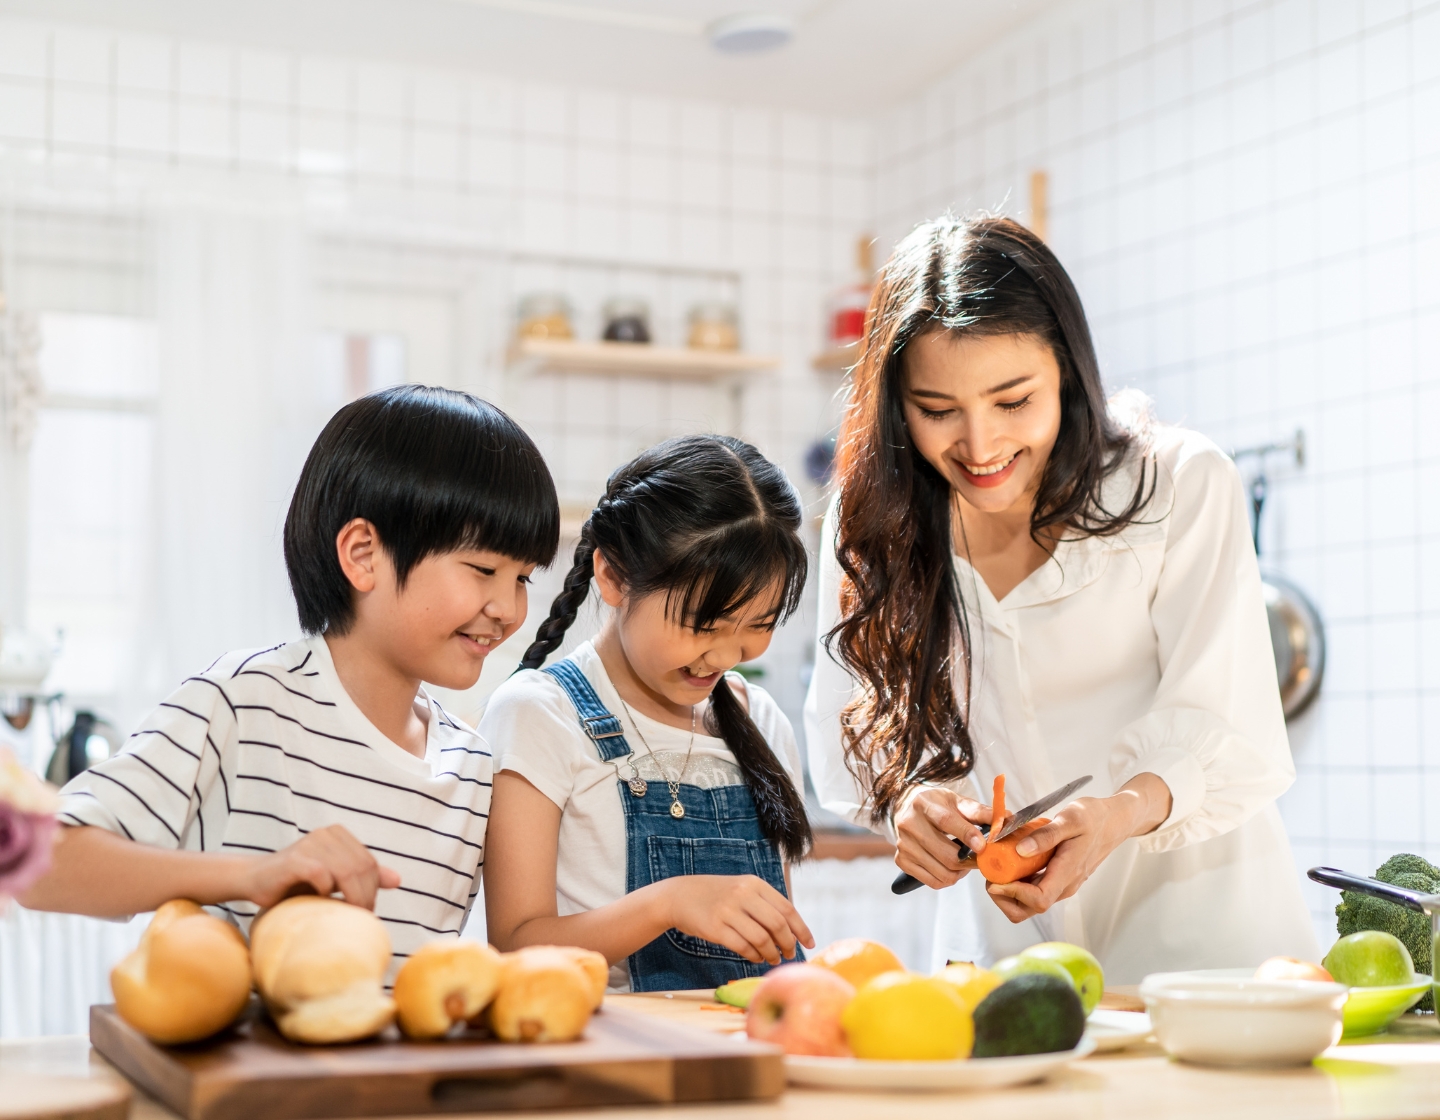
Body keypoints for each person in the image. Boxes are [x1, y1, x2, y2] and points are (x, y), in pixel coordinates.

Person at [805, 215, 1318, 981]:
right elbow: (857, 717)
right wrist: (910, 802)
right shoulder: (872, 517)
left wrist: (1114, 814)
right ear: (896, 404)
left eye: (1013, 401)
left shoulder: (1176, 484)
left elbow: (1229, 722)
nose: (979, 446)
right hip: (1010, 952)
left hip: (1205, 946)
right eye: (938, 410)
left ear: (1068, 373)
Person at [22, 386, 559, 975]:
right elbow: (38, 863)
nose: (508, 608)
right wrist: (250, 876)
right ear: (362, 554)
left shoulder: (473, 765)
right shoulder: (242, 703)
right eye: (484, 569)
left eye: (524, 579)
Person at [481, 435, 815, 993]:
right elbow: (514, 946)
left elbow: (773, 942)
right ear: (611, 577)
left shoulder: (761, 720)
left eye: (758, 624)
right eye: (703, 625)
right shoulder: (541, 715)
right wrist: (667, 903)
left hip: (748, 1053)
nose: (726, 657)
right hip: (612, 1059)